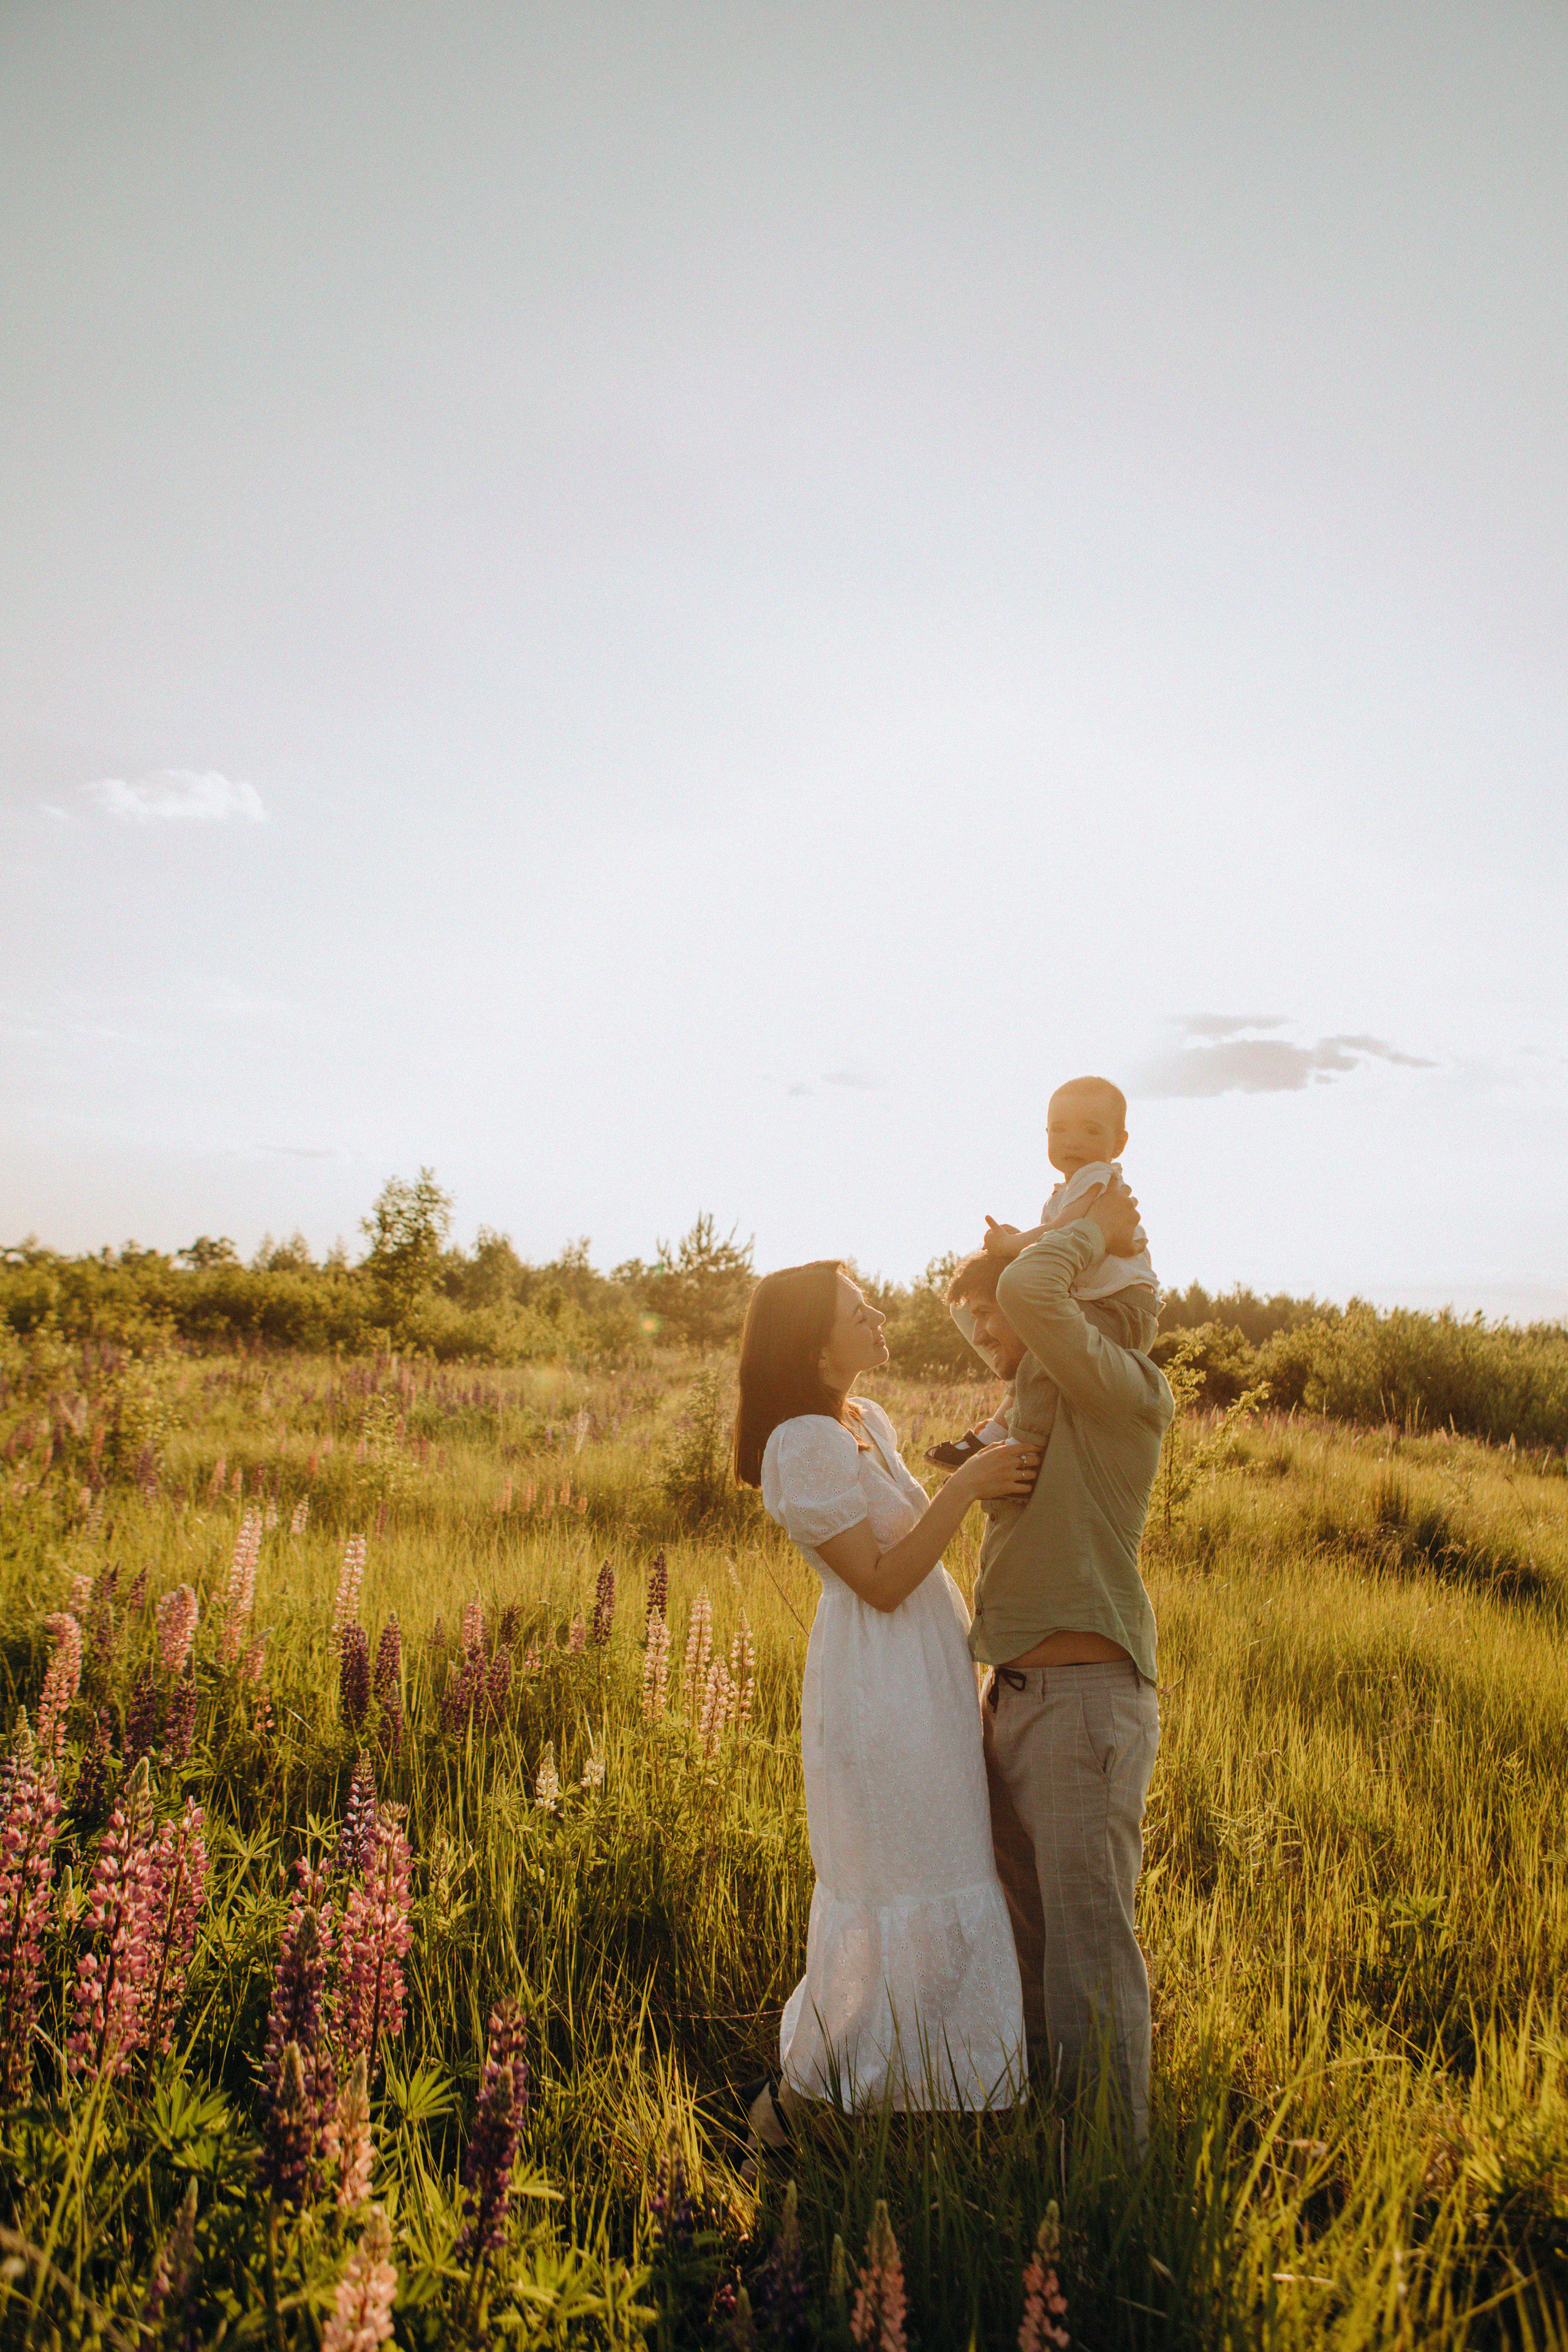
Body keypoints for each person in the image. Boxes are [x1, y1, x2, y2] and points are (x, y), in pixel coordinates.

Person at [732, 1259, 1033, 2155]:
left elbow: (903, 1535)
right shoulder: (803, 1441)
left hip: (923, 1680)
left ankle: (925, 2092)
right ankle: (796, 2109)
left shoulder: (863, 1419)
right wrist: (965, 1492)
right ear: (816, 1348)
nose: (879, 1317)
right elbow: (879, 1581)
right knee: (897, 1877)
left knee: (944, 1862)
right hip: (877, 1687)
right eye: (859, 1312)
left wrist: (967, 1466)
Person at [946, 1177, 1172, 2157]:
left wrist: (1080, 1230)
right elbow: (1016, 1313)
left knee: (1088, 1948)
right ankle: (1045, 2135)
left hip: (1084, 1705)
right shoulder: (1035, 1406)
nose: (990, 1346)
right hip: (1014, 1698)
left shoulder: (1122, 1383)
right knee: (1025, 1937)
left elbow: (1038, 1299)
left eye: (992, 1327)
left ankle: (1110, 2170)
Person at [929, 1074, 1158, 1468]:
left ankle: (1017, 1447)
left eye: (1090, 1129)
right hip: (1102, 1306)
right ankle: (998, 1433)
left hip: (1120, 1311)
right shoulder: (1067, 1190)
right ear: (1046, 1133)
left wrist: (1011, 1246)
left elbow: (1064, 1230)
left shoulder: (1096, 1177)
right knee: (1036, 1351)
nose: (1071, 1140)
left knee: (1041, 1355)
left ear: (1118, 1143)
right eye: (1059, 1128)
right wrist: (1024, 1245)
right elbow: (1060, 1244)